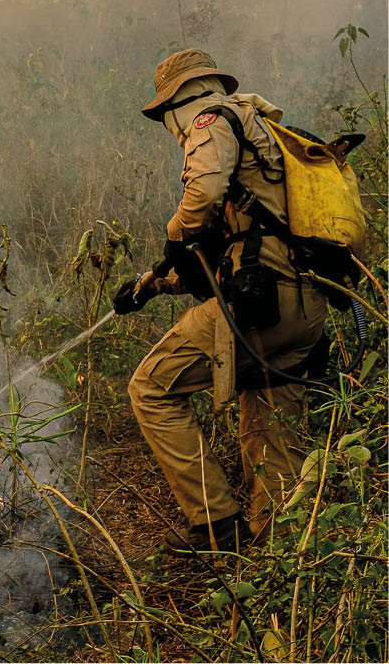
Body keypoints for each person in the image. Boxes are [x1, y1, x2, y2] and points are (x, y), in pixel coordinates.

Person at [113, 48, 327, 553]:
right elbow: (230, 253)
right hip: (304, 307)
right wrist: (153, 283)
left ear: (176, 103)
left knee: (151, 389)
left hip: (260, 307)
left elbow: (203, 198)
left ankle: (215, 524)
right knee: (270, 429)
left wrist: (172, 234)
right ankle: (278, 565)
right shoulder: (262, 131)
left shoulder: (210, 122)